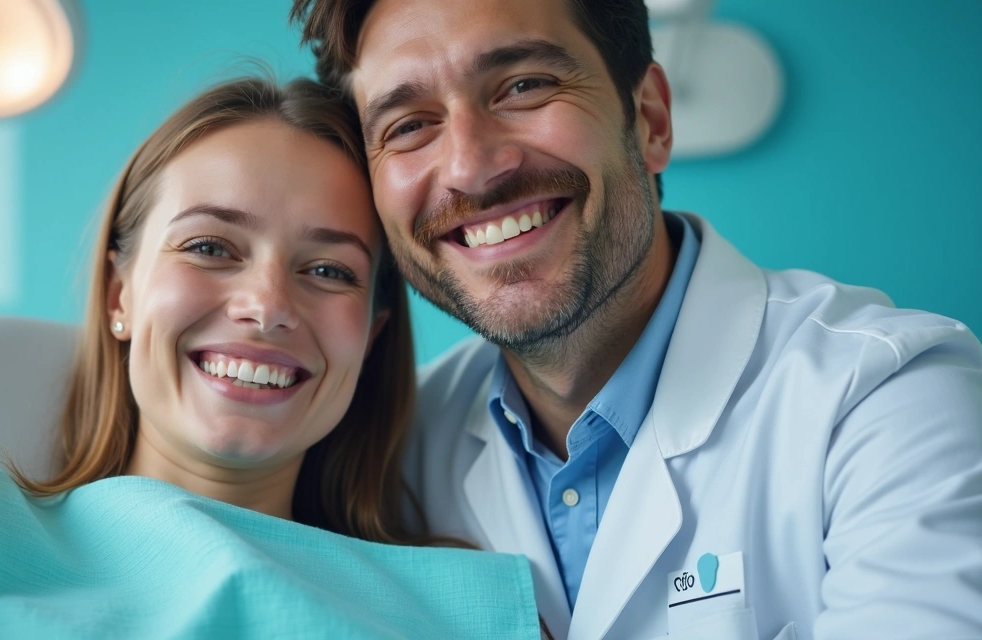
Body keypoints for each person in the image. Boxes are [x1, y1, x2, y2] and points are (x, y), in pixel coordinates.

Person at [290, 0, 982, 638]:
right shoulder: (386, 455)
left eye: (523, 85)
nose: (470, 168)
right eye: (408, 126)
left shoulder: (894, 400)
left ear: (650, 118)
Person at [0, 77, 541, 639]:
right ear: (118, 295)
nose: (267, 305)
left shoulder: (471, 609)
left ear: (369, 339)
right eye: (210, 247)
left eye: (328, 270)